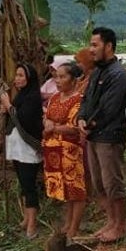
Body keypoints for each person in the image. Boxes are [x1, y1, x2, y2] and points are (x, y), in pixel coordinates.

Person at [77, 27, 126, 243]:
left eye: (95, 45)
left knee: (113, 183)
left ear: (108, 46)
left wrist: (89, 124)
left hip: (109, 136)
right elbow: (85, 99)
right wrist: (81, 117)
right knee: (99, 182)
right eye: (91, 44)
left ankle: (121, 225)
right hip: (93, 136)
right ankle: (110, 221)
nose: (91, 49)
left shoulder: (118, 75)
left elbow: (109, 108)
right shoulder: (97, 71)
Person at [0, 63, 44, 239]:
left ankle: (32, 224)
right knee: (23, 184)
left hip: (28, 149)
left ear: (29, 78)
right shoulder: (21, 96)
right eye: (16, 75)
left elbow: (24, 118)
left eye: (21, 75)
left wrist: (9, 105)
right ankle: (26, 219)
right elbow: (14, 114)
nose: (17, 79)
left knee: (28, 185)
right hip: (17, 147)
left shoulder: (33, 97)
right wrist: (7, 108)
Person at [42, 61, 87, 238]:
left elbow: (73, 128)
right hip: (53, 151)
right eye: (56, 77)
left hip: (70, 152)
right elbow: (46, 118)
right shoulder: (54, 97)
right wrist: (48, 124)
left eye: (62, 77)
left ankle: (74, 227)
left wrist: (53, 127)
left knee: (76, 190)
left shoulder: (79, 100)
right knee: (65, 191)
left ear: (74, 79)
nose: (58, 81)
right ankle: (67, 224)